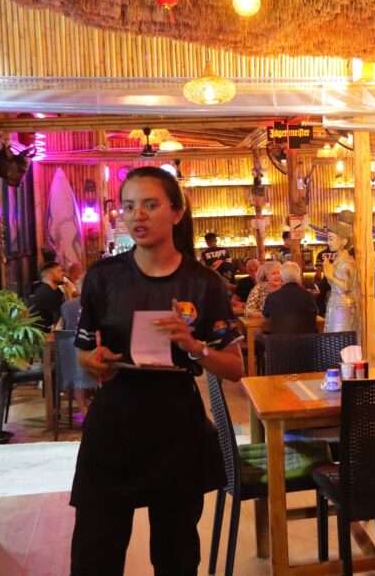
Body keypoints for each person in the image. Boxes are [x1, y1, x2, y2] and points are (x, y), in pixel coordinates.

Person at [71, 166, 242, 576]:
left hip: (176, 428)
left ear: (177, 213)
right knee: (95, 554)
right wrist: (94, 361)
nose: (138, 216)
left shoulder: (204, 284)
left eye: (150, 205)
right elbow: (82, 351)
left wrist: (195, 347)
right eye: (129, 206)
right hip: (113, 427)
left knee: (176, 556)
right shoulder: (103, 278)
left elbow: (235, 367)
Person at [263, 262, 319, 335]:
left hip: (279, 341)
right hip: (306, 341)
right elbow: (315, 313)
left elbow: (266, 315)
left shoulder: (272, 297)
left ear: (282, 277)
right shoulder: (309, 296)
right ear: (298, 277)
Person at [323, 222, 358, 333]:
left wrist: (330, 275)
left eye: (331, 239)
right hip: (335, 303)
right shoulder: (338, 259)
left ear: (344, 241)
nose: (328, 242)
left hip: (343, 306)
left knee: (340, 336)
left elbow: (346, 287)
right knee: (333, 336)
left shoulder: (347, 261)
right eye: (328, 239)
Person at [29, 261, 66, 331]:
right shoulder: (44, 293)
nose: (63, 274)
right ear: (49, 275)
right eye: (59, 271)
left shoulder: (57, 291)